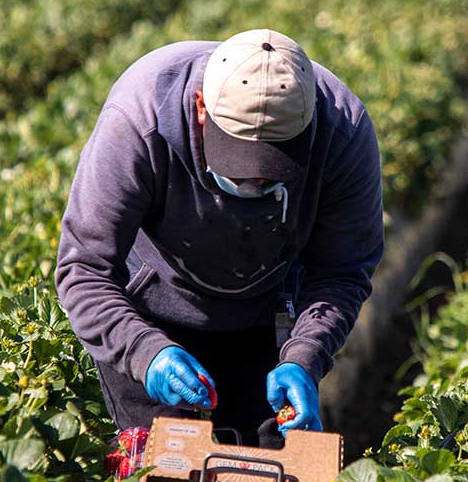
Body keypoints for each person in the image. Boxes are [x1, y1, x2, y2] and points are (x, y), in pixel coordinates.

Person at [55, 30, 384, 446]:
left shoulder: (343, 131)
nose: (256, 183)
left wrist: (304, 356)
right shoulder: (141, 119)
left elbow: (344, 269)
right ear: (201, 111)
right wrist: (145, 353)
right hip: (149, 317)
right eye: (241, 166)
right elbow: (83, 269)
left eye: (273, 172)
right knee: (162, 477)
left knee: (265, 479)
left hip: (267, 317)